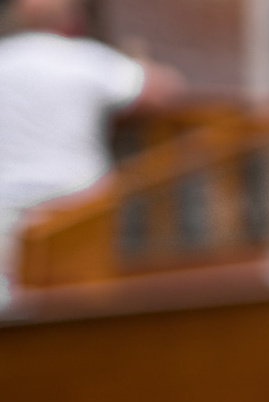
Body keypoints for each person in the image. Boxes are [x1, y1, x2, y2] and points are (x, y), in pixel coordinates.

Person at [0, 0, 182, 303]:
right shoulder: (85, 59)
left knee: (14, 302)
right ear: (71, 22)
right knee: (84, 300)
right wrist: (136, 62)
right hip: (79, 202)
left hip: (8, 204)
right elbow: (164, 88)